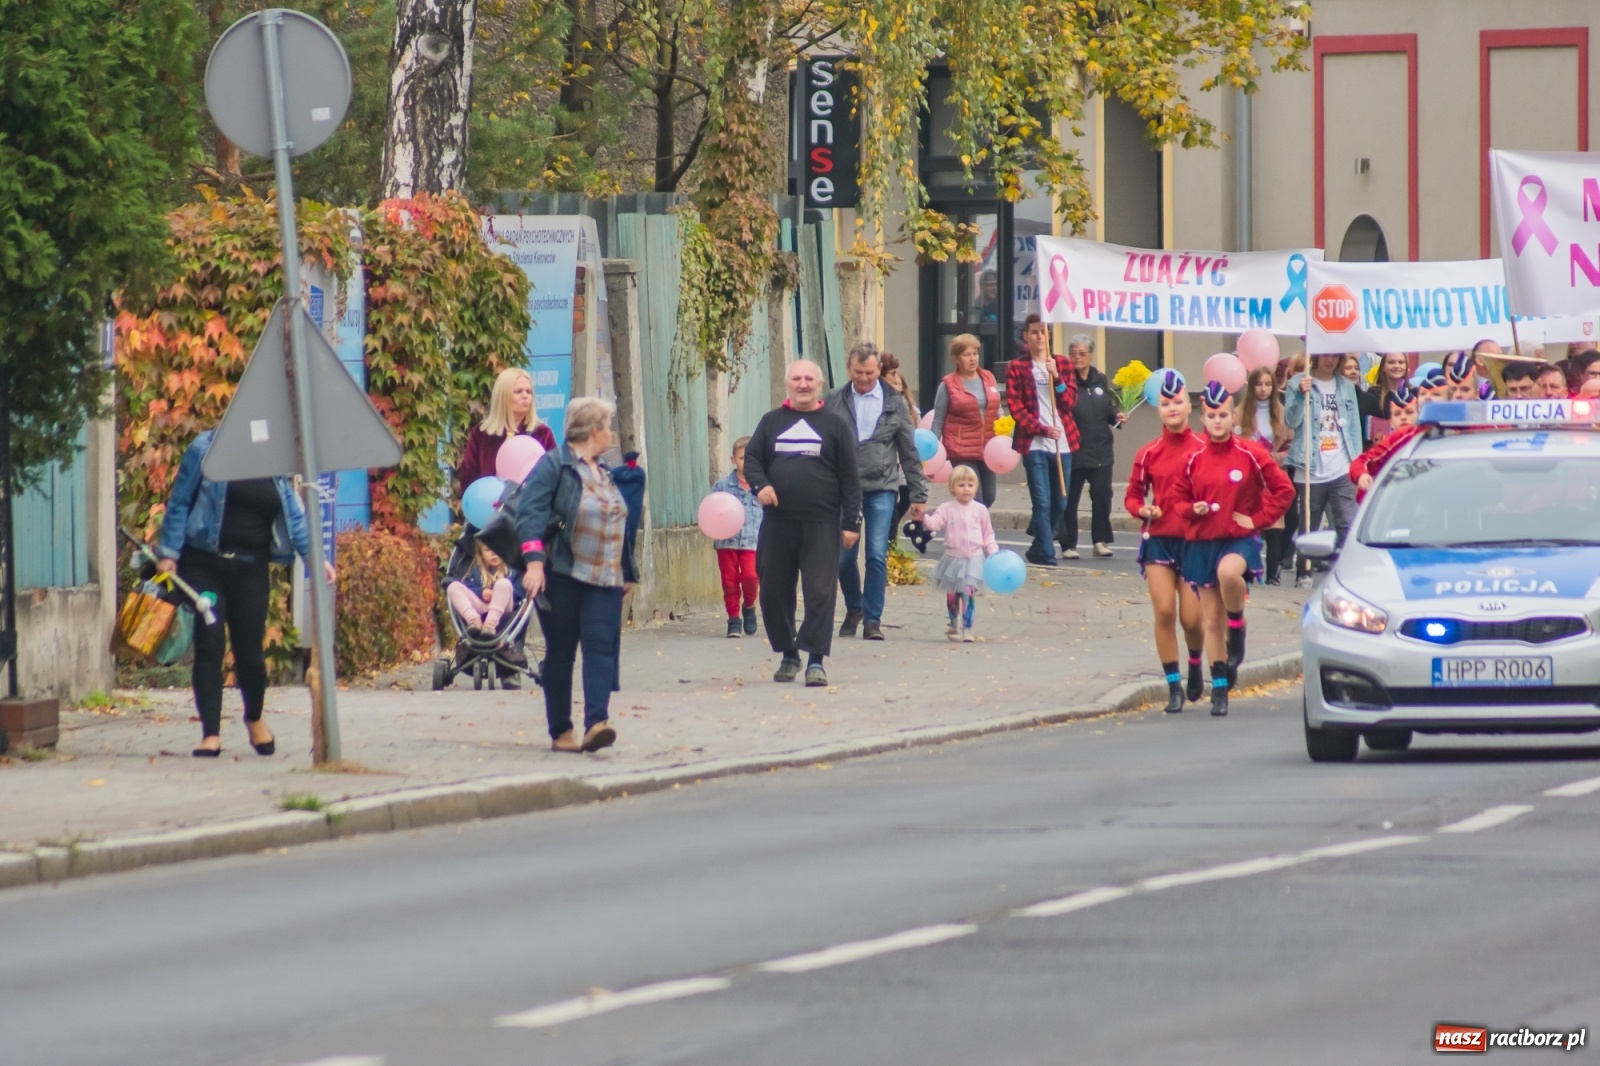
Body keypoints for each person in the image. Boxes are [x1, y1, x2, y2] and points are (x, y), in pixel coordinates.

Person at [155, 429, 328, 758]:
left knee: (249, 649)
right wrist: (169, 554)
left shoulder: (274, 457)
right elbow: (179, 502)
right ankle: (210, 734)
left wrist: (314, 560)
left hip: (251, 567)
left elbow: (294, 515)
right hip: (203, 563)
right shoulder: (206, 448)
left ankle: (254, 719)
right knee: (210, 641)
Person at [517, 397, 638, 754]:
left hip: (605, 578)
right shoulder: (555, 465)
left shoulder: (604, 471)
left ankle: (596, 723)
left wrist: (626, 570)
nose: (612, 435)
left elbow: (619, 521)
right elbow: (530, 512)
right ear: (595, 431)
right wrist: (534, 563)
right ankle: (561, 730)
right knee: (562, 652)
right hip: (562, 572)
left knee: (601, 647)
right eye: (608, 428)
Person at [1178, 381, 1295, 717]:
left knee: (1229, 573)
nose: (1218, 421)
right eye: (1212, 415)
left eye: (1223, 415)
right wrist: (1192, 509)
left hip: (1237, 539)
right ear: (1203, 417)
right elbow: (1177, 499)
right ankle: (1219, 685)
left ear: (1233, 417)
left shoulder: (1250, 453)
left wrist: (1257, 518)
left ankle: (1238, 625)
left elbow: (1283, 490)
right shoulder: (1193, 457)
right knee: (1210, 620)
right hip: (1202, 541)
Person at [743, 360, 862, 687]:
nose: (803, 383)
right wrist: (761, 486)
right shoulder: (771, 422)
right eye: (797, 378)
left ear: (820, 385)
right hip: (778, 524)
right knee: (772, 592)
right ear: (787, 385)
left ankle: (815, 660)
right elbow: (752, 460)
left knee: (820, 592)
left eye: (809, 378)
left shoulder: (835, 426)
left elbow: (851, 479)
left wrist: (852, 522)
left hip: (822, 524)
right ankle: (789, 655)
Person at [831, 343, 927, 641]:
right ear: (850, 369)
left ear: (878, 370)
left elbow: (909, 450)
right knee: (843, 558)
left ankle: (873, 619)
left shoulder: (894, 401)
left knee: (875, 555)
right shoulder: (834, 400)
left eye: (870, 373)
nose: (864, 378)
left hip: (882, 487)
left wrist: (918, 494)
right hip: (843, 490)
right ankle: (854, 606)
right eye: (858, 372)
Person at [1125, 369, 1207, 713]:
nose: (1171, 409)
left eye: (1177, 402)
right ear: (1158, 410)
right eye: (1164, 404)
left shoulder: (1206, 447)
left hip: (1194, 542)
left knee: (1191, 619)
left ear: (1190, 406)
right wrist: (1141, 509)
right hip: (1158, 541)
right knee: (1163, 611)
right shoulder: (1148, 453)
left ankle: (1195, 662)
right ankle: (1173, 685)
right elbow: (1131, 497)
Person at [1283, 352, 1361, 589]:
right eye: (1325, 355)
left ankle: (1349, 573)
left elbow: (1354, 424)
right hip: (1310, 465)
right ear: (1316, 356)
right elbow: (1290, 421)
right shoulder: (1299, 382)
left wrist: (1357, 462)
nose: (1330, 360)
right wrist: (1299, 396)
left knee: (1347, 522)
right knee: (1309, 523)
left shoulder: (1346, 386)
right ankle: (1304, 572)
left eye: (1335, 356)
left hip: (1342, 464)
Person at [1007, 313, 1078, 567]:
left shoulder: (1061, 364)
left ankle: (1037, 548)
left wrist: (1057, 377)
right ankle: (1047, 554)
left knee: (1061, 501)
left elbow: (1069, 402)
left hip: (1063, 442)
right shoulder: (1017, 367)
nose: (1040, 336)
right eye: (1034, 332)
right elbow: (1015, 407)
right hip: (1034, 442)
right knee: (1042, 501)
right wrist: (1041, 429)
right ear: (1025, 336)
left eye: (1044, 331)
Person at [1060, 333, 1125, 559]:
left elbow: (1107, 409)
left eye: (1082, 354)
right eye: (1073, 354)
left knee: (1102, 495)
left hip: (1101, 450)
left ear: (1090, 356)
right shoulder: (1064, 381)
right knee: (1070, 500)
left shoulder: (1100, 379)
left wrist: (1117, 417)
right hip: (1074, 449)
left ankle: (1100, 540)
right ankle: (1069, 545)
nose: (1077, 358)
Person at [920, 466, 999, 642]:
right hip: (952, 559)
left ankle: (968, 628)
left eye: (970, 485)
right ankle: (953, 624)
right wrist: (923, 516)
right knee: (952, 594)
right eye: (961, 484)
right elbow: (934, 524)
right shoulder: (947, 508)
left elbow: (988, 534)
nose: (966, 489)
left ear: (976, 487)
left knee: (968, 592)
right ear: (952, 488)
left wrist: (993, 552)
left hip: (973, 559)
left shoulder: (980, 510)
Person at [458, 367, 559, 496]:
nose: (525, 396)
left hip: (531, 511)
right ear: (503, 396)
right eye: (518, 391)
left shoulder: (542, 434)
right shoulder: (482, 434)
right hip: (489, 509)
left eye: (529, 391)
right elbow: (469, 478)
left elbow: (555, 476)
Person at [931, 334, 1001, 507]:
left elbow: (997, 407)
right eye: (967, 355)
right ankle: (973, 533)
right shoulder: (947, 384)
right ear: (956, 358)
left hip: (988, 447)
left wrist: (1006, 429)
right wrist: (932, 451)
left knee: (990, 496)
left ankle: (972, 527)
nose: (973, 359)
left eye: (975, 353)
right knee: (974, 497)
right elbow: (938, 420)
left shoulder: (988, 377)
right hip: (961, 448)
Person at [1238, 366, 1293, 584]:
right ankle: (1245, 571)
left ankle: (1273, 575)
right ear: (1252, 387)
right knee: (1247, 522)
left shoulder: (1282, 412)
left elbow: (1292, 444)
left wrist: (1280, 456)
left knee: (1275, 525)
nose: (1264, 389)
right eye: (1259, 384)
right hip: (1248, 475)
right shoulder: (1240, 412)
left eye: (1268, 384)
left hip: (1273, 474)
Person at [711, 436, 763, 639]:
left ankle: (749, 605)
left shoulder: (761, 485)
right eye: (742, 458)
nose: (746, 463)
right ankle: (733, 619)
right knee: (729, 581)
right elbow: (711, 509)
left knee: (751, 577)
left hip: (753, 542)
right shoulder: (723, 486)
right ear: (733, 460)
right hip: (727, 542)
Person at [1350, 384, 1420, 502]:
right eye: (1397, 414)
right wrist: (1363, 476)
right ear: (1391, 422)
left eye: (1409, 412)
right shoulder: (1389, 444)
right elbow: (1361, 462)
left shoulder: (1428, 435)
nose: (1403, 418)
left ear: (1418, 414)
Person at [878, 351, 921, 533]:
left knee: (894, 513)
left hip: (898, 469)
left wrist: (919, 493)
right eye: (892, 375)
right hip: (877, 473)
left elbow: (909, 447)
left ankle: (890, 554)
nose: (896, 380)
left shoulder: (902, 406)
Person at [1373, 352, 1413, 416]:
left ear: (1406, 367)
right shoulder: (1373, 394)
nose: (1396, 366)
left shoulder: (1415, 393)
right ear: (1383, 367)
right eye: (1391, 362)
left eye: (1401, 362)